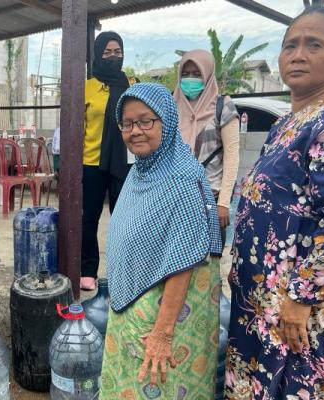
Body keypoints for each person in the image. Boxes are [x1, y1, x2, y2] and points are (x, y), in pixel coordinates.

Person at [225, 6, 324, 399]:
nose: (298, 54)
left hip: (295, 309)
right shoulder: (288, 123)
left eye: (314, 44)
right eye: (291, 45)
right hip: (261, 300)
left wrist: (302, 300)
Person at [100, 83, 222, 399]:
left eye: (145, 121)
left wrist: (162, 334)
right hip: (135, 309)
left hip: (166, 321)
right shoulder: (142, 170)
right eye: (127, 124)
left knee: (161, 387)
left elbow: (184, 258)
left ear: (166, 122)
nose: (135, 131)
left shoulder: (180, 178)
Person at [173, 49, 240, 247]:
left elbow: (232, 155)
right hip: (175, 198)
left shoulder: (223, 106)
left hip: (210, 199)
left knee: (206, 267)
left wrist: (223, 203)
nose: (190, 79)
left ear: (207, 75)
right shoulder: (171, 106)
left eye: (197, 74)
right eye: (186, 74)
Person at [81, 31, 131, 290]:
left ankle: (121, 269)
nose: (113, 57)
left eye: (118, 52)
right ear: (98, 55)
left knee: (122, 218)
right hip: (91, 162)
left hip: (124, 163)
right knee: (89, 217)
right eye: (107, 52)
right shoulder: (87, 87)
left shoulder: (132, 84)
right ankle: (87, 270)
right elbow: (78, 126)